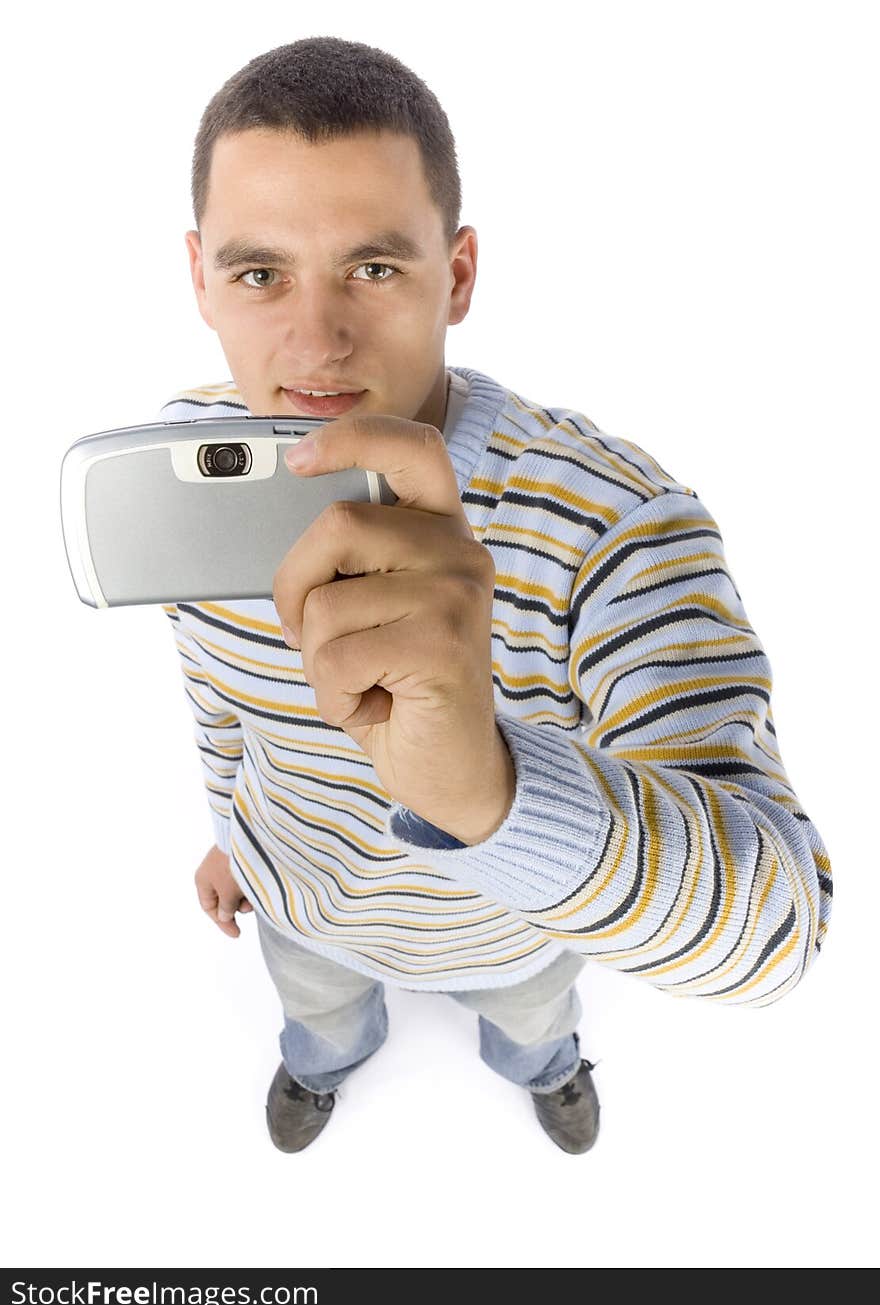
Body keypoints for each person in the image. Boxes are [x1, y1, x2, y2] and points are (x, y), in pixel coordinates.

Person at [156, 37, 833, 1156]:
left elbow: (776, 937)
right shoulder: (184, 472)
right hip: (301, 905)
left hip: (514, 936)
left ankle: (549, 1068)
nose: (313, 341)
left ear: (457, 275)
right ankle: (322, 1064)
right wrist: (235, 827)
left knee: (533, 1029)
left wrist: (488, 789)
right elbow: (214, 693)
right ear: (199, 277)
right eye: (259, 272)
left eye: (373, 268)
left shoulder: (610, 521)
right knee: (316, 1020)